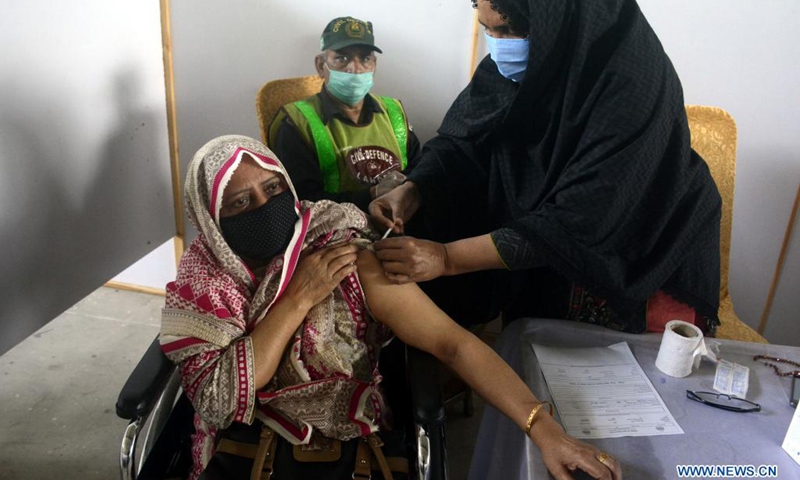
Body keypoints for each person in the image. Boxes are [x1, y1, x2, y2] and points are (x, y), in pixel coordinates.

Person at [160, 135, 622, 480]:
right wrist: (300, 293)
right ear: (211, 219)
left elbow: (453, 344)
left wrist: (544, 429)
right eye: (242, 202)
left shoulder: (339, 253)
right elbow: (218, 399)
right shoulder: (202, 281)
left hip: (348, 448)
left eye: (274, 189)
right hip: (245, 446)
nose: (266, 207)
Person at [370, 0, 722, 335]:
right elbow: (463, 142)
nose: (499, 48)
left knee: (622, 384)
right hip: (549, 246)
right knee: (535, 365)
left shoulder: (634, 85)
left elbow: (582, 216)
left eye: (509, 30)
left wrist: (447, 258)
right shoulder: (526, 65)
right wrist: (415, 189)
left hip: (644, 253)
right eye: (487, 30)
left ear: (558, 20)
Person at [268, 16, 420, 213]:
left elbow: (420, 170)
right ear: (321, 65)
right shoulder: (297, 123)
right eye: (342, 58)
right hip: (339, 233)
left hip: (403, 219)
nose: (355, 69)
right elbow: (301, 201)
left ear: (375, 65)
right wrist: (373, 194)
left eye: (365, 58)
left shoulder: (394, 111)